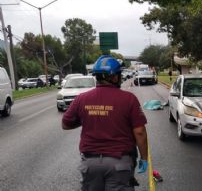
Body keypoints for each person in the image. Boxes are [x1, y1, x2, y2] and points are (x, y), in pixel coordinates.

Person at [62, 55, 149, 190]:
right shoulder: (129, 99)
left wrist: (89, 116)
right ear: (114, 77)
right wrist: (144, 158)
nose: (120, 77)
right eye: (119, 75)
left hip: (90, 165)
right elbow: (140, 131)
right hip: (119, 164)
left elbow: (65, 124)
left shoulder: (82, 98)